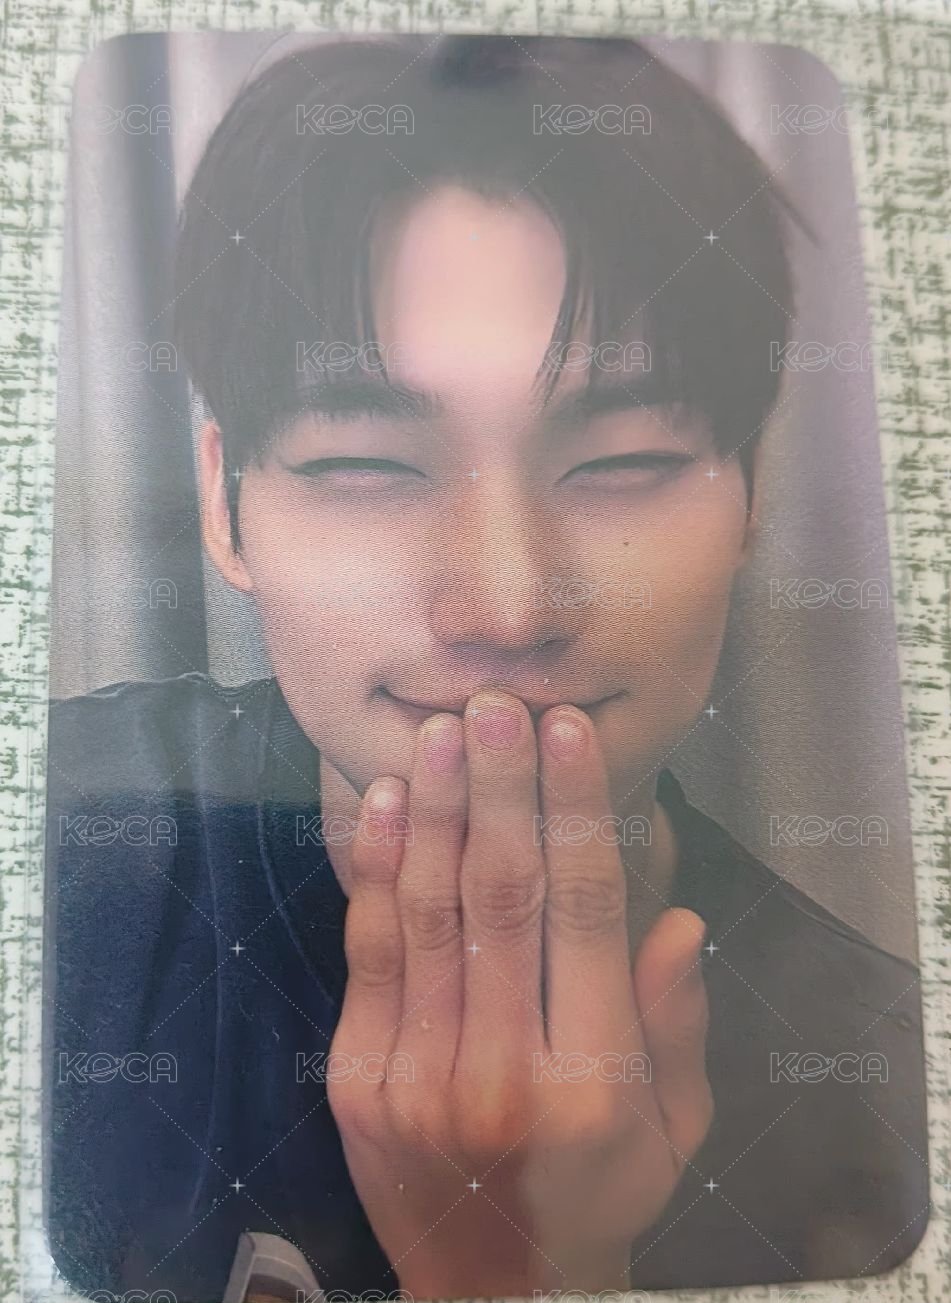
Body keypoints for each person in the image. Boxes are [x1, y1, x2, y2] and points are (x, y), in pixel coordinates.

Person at [45, 34, 928, 1303]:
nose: (508, 609)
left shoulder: (878, 1080)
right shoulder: (68, 861)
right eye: (367, 466)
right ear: (226, 507)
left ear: (750, 497)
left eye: (623, 462)